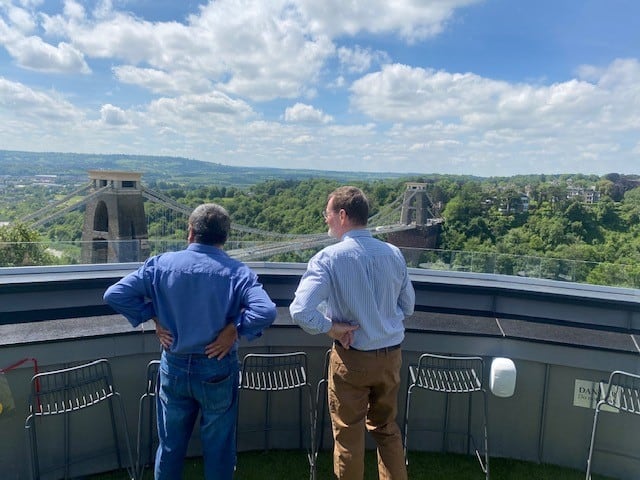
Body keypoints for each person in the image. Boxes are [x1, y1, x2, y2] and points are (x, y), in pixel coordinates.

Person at [103, 203, 276, 480]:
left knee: (170, 447)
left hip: (174, 364)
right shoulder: (237, 272)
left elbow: (115, 294)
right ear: (225, 237)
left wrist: (152, 316)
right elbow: (266, 311)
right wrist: (235, 328)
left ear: (190, 232)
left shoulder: (161, 265)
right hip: (217, 368)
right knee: (219, 449)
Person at [289, 186, 415, 480]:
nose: (326, 220)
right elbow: (407, 306)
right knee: (387, 430)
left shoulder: (328, 259)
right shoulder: (394, 253)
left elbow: (300, 311)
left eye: (328, 214)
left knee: (348, 437)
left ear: (342, 215)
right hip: (390, 358)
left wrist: (331, 328)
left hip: (353, 358)